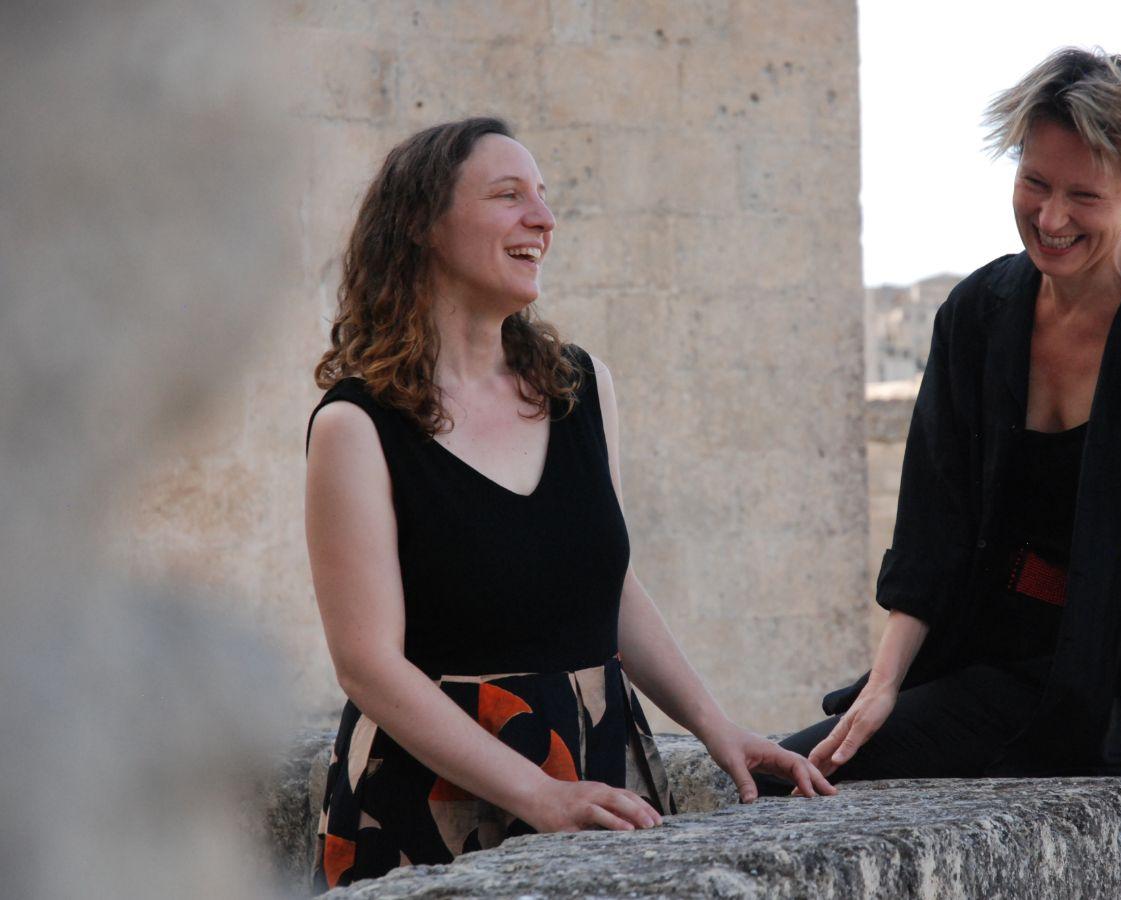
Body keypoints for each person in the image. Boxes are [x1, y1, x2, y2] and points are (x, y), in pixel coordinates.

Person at [305, 117, 833, 891]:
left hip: (594, 761)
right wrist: (537, 794)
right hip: (427, 799)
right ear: (420, 224)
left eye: (544, 196)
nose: (544, 219)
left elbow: (607, 587)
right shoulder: (356, 426)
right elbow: (367, 665)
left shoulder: (580, 389)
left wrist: (717, 728)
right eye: (508, 195)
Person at [764, 48, 1121, 850]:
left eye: (1083, 196)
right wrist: (882, 687)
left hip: (1075, 683)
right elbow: (932, 525)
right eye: (1034, 183)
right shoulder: (977, 311)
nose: (1051, 219)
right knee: (778, 773)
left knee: (782, 790)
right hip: (959, 660)